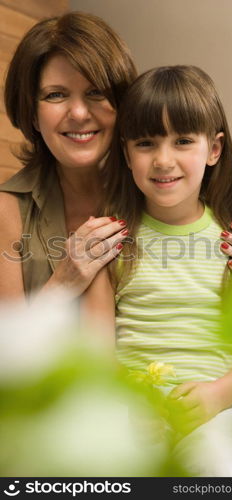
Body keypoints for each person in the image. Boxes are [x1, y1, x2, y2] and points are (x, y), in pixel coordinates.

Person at [86, 65, 232, 476]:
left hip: (218, 411)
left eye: (183, 141)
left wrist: (217, 396)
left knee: (216, 467)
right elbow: (96, 351)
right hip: (134, 411)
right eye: (146, 143)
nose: (163, 159)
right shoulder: (112, 241)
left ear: (214, 149)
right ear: (126, 152)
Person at [0, 12, 137, 300]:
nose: (78, 113)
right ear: (33, 114)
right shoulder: (7, 211)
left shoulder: (158, 188)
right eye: (55, 95)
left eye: (96, 92)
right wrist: (63, 283)